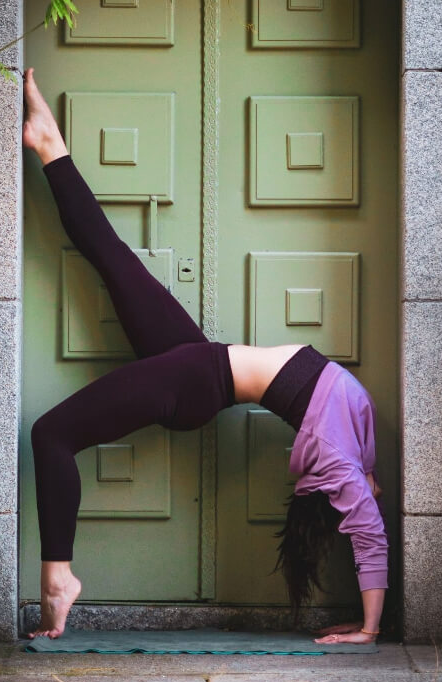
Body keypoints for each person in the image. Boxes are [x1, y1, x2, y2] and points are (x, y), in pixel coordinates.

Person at [22, 68, 387, 643]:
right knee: (112, 256)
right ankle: (49, 143)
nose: (367, 495)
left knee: (50, 434)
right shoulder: (355, 446)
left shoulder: (339, 464)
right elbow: (367, 505)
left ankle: (58, 577)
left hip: (199, 379)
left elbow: (368, 533)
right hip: (202, 363)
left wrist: (369, 628)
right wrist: (367, 476)